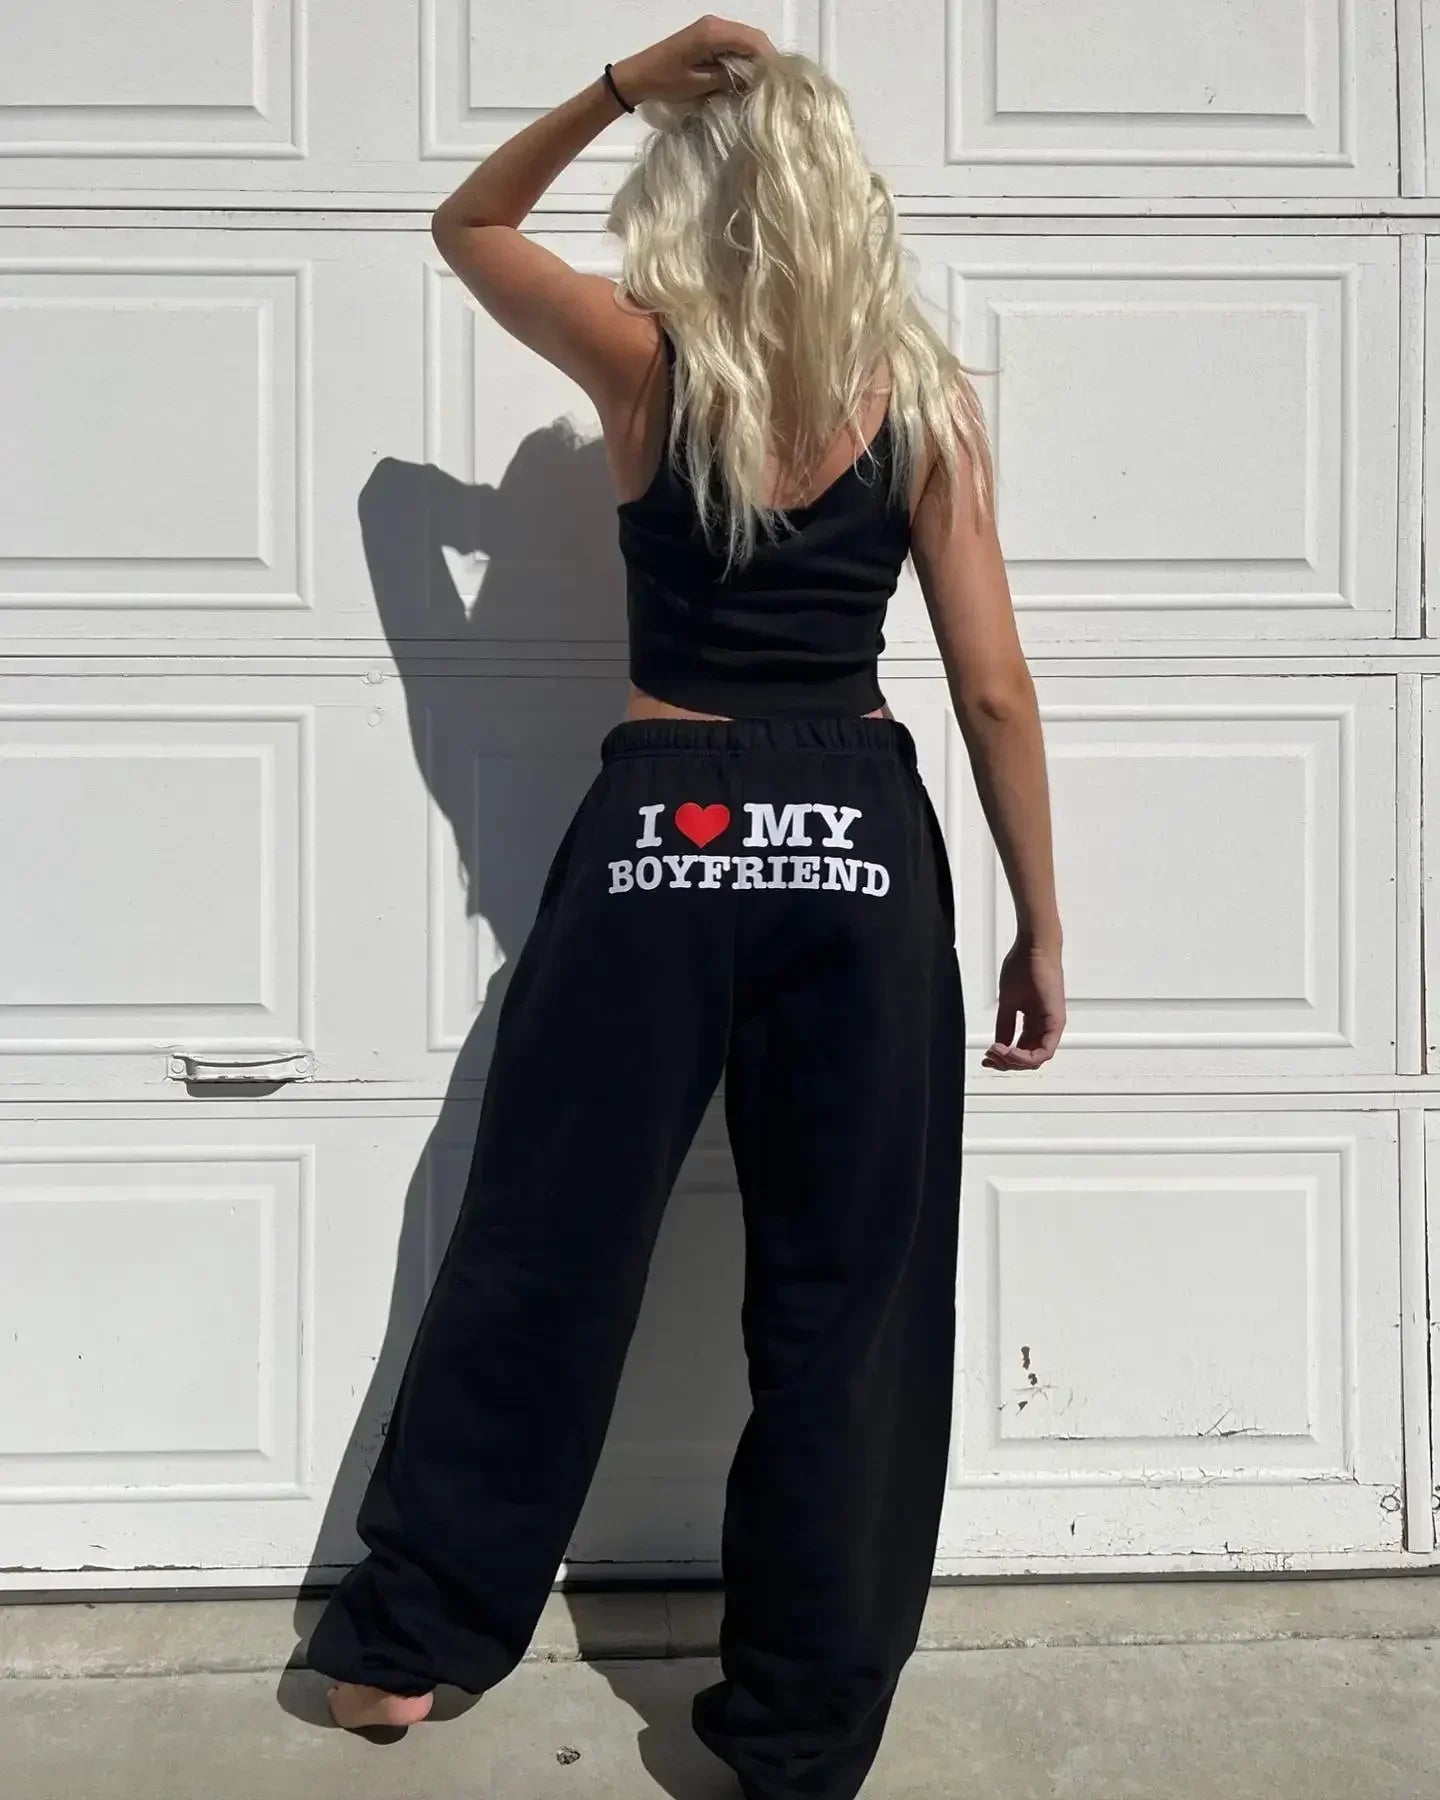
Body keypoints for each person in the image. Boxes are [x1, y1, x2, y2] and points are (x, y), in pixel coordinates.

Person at [307, 18, 1066, 1799]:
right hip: (855, 847)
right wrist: (1040, 920)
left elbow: (468, 228)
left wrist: (622, 87)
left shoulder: (651, 366)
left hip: (660, 831)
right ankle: (797, 1737)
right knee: (851, 1299)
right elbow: (993, 689)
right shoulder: (925, 402)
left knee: (546, 1246)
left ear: (698, 198)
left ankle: (408, 1647)